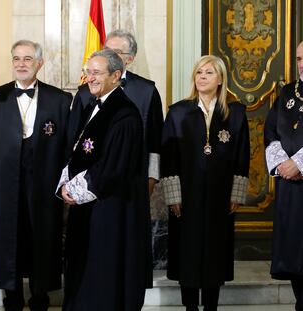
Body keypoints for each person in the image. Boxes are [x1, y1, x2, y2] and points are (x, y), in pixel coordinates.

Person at [57, 48, 151, 311]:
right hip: (88, 208)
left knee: (102, 274)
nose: (90, 78)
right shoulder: (93, 105)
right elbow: (78, 149)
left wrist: (73, 190)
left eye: (97, 73)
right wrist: (65, 184)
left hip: (110, 210)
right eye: (88, 72)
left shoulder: (125, 115)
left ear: (116, 75)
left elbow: (113, 167)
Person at [0, 40, 72, 311]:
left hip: (45, 185)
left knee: (43, 237)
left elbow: (67, 144)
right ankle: (11, 299)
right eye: (17, 59)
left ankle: (40, 299)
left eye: (27, 59)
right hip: (5, 184)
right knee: (9, 237)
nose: (21, 64)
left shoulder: (60, 99)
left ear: (39, 63)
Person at [161, 55, 250, 311]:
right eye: (199, 72)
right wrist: (173, 195)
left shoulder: (235, 114)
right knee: (187, 254)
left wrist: (237, 193)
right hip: (186, 198)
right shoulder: (178, 112)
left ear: (220, 78)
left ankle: (211, 307)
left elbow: (242, 157)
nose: (202, 77)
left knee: (214, 255)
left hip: (220, 198)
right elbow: (169, 157)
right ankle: (189, 307)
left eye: (209, 72)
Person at [69, 29, 163, 196]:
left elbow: (154, 140)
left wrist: (151, 179)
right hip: (90, 180)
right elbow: (73, 138)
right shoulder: (84, 93)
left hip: (133, 178)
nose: (109, 56)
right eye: (106, 50)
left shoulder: (147, 91)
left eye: (116, 52)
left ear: (130, 59)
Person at [264, 41, 303, 311]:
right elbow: (270, 132)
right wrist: (284, 164)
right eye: (299, 58)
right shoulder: (288, 92)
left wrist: (300, 162)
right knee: (293, 252)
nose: (302, 64)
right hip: (290, 188)